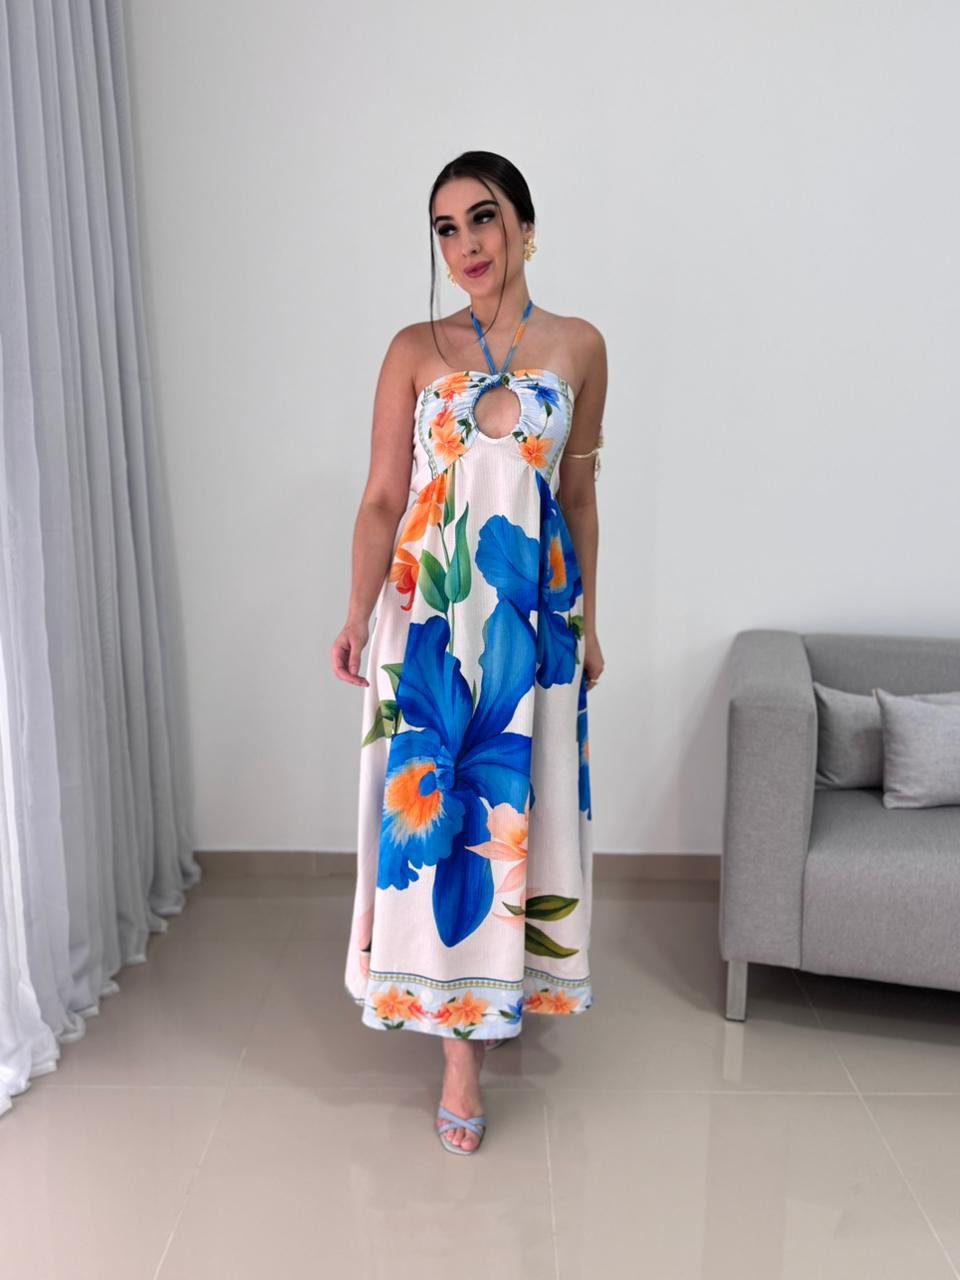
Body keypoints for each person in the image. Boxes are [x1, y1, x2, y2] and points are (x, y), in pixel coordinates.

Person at [332, 150, 606, 1154]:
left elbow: (578, 498)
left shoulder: (580, 346)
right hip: (430, 620)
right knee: (438, 822)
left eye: (482, 218)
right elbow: (380, 497)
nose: (465, 244)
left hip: (534, 623)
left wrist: (591, 622)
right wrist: (356, 610)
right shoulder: (414, 348)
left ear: (525, 226)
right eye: (445, 229)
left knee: (517, 814)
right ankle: (458, 1053)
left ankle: (502, 991)